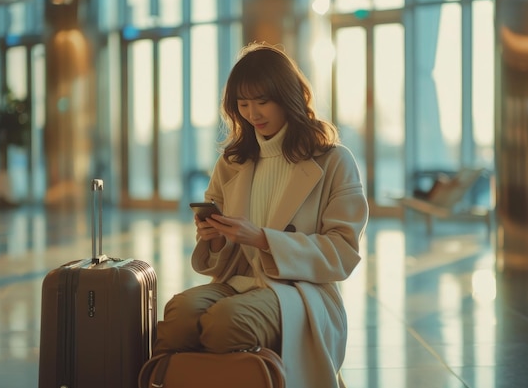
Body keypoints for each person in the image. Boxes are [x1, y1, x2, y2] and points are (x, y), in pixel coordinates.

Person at [155, 42, 369, 388]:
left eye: (262, 101)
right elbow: (215, 256)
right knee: (179, 315)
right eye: (243, 104)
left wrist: (262, 239)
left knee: (225, 323)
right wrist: (215, 238)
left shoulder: (333, 161)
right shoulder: (232, 162)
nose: (253, 113)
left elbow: (343, 252)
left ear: (289, 97)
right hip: (236, 282)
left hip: (300, 291)